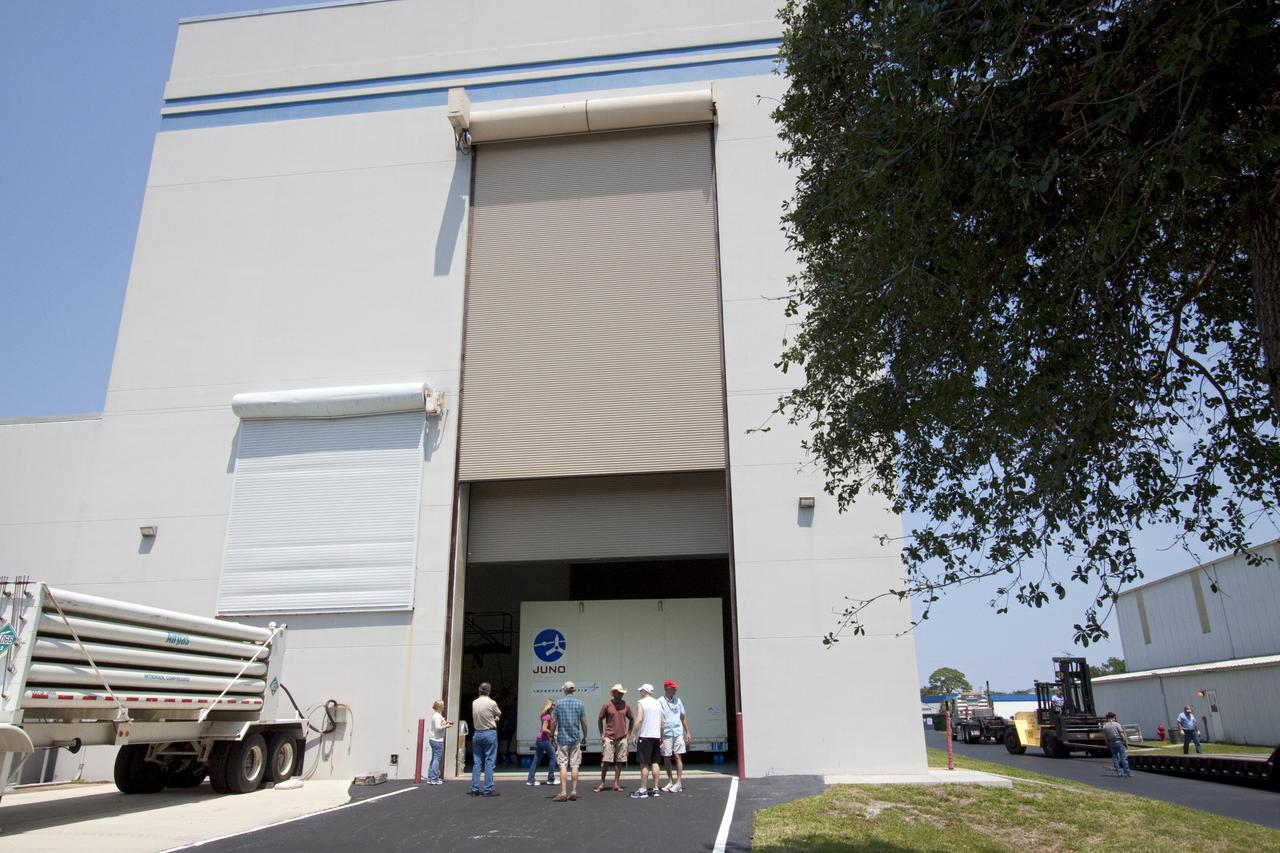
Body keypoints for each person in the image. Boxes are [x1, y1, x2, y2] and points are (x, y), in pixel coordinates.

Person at [550, 681, 588, 802]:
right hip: (575, 738)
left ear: (565, 690)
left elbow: (554, 721)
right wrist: (585, 735)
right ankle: (574, 791)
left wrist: (551, 735)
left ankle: (563, 792)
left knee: (563, 765)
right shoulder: (580, 703)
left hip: (562, 739)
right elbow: (584, 721)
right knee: (575, 765)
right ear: (573, 690)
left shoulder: (559, 703)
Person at [595, 684, 633, 793]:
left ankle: (616, 784)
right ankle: (602, 783)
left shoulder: (626, 705)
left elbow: (632, 719)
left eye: (622, 693)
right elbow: (600, 718)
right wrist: (601, 734)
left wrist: (628, 734)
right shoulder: (607, 705)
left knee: (619, 761)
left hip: (622, 738)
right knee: (606, 760)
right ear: (614, 693)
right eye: (620, 692)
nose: (621, 694)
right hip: (609, 737)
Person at [629, 683, 663, 799]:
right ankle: (656, 789)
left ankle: (643, 789)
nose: (640, 693)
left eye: (641, 691)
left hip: (645, 736)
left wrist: (632, 734)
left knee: (644, 763)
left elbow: (639, 720)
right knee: (655, 762)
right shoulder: (658, 703)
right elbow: (662, 722)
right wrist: (661, 737)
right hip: (656, 737)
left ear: (644, 691)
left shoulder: (641, 702)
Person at [659, 679, 691, 793]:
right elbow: (659, 720)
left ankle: (678, 782)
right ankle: (670, 781)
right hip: (666, 733)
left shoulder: (678, 700)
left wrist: (687, 732)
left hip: (677, 732)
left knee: (678, 756)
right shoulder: (660, 702)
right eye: (673, 687)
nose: (676, 689)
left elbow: (682, 717)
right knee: (666, 757)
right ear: (667, 688)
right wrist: (659, 736)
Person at [470, 682, 501, 796]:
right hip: (489, 732)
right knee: (489, 761)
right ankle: (488, 789)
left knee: (477, 762)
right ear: (489, 691)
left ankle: (474, 789)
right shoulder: (492, 702)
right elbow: (499, 713)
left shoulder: (474, 702)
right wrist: (495, 718)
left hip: (477, 733)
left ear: (479, 690)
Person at [526, 698, 558, 786]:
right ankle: (551, 779)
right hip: (543, 740)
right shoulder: (547, 716)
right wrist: (554, 733)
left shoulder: (546, 715)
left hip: (540, 739)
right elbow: (544, 729)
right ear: (549, 706)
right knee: (553, 757)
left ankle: (530, 780)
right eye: (553, 705)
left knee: (536, 759)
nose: (554, 706)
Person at [427, 699, 453, 785]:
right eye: (443, 705)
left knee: (433, 759)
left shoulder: (435, 715)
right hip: (437, 740)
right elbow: (438, 728)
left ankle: (430, 778)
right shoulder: (438, 716)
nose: (444, 706)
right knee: (436, 759)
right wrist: (447, 726)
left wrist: (446, 722)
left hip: (433, 739)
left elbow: (437, 725)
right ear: (439, 707)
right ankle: (434, 779)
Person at [1101, 712, 1131, 777]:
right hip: (1119, 741)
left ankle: (1119, 772)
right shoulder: (1117, 724)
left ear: (1107, 718)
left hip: (1111, 742)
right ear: (1114, 717)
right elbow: (1121, 734)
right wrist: (1125, 742)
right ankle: (1127, 772)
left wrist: (1107, 744)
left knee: (1115, 758)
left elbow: (1105, 737)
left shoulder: (1105, 726)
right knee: (1123, 757)